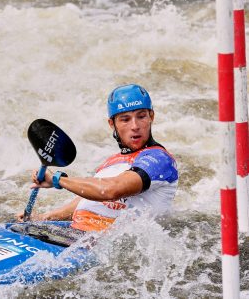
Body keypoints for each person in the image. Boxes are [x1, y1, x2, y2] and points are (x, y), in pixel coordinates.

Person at [16, 84, 178, 236]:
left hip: (107, 242)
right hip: (77, 233)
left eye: (141, 116)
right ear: (112, 124)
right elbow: (90, 197)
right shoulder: (111, 162)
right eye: (125, 119)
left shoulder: (159, 159)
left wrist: (58, 180)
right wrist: (46, 217)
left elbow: (109, 191)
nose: (135, 126)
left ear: (151, 117)